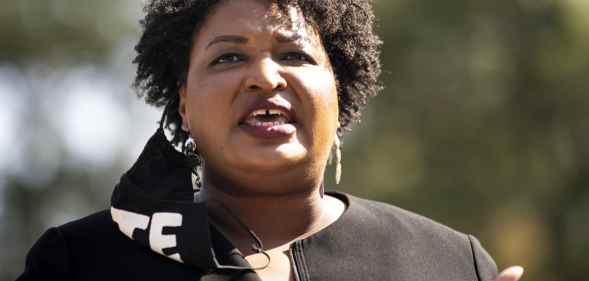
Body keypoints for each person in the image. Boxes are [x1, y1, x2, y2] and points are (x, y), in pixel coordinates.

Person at [18, 0, 524, 280]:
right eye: (228, 58)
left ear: (339, 91)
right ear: (184, 105)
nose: (265, 76)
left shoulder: (450, 264)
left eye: (295, 56)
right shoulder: (79, 263)